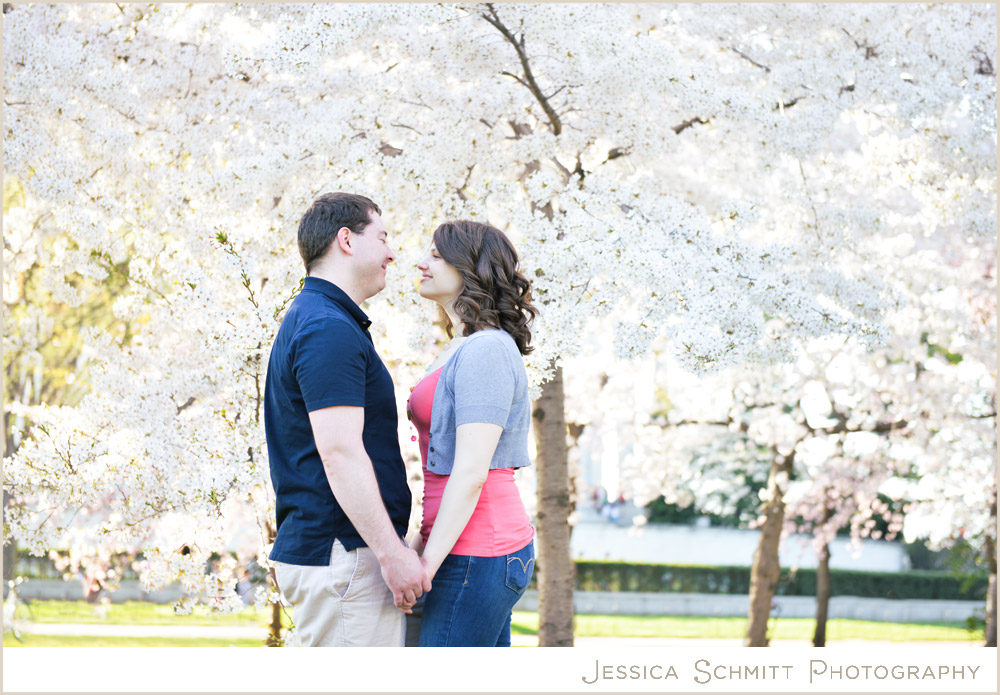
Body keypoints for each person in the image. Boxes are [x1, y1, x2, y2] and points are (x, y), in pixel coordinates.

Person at [264, 192, 430, 647]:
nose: (392, 253)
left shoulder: (320, 319)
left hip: (341, 554)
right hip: (345, 556)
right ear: (346, 240)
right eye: (382, 237)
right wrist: (389, 552)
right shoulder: (327, 328)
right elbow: (339, 453)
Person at [406, 219, 538, 647]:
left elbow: (470, 473)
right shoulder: (465, 345)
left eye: (437, 256)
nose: (419, 263)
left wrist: (426, 565)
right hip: (463, 549)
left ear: (470, 267)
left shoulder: (486, 349)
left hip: (478, 551)